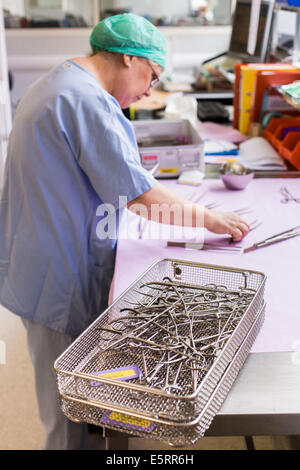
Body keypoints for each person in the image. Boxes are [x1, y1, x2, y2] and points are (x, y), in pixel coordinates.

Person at [0, 13, 249, 450]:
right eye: (152, 76)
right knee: (70, 420)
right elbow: (142, 197)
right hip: (59, 280)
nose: (150, 91)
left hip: (35, 259)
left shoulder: (59, 81)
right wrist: (209, 219)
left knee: (79, 402)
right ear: (129, 58)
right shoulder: (89, 102)